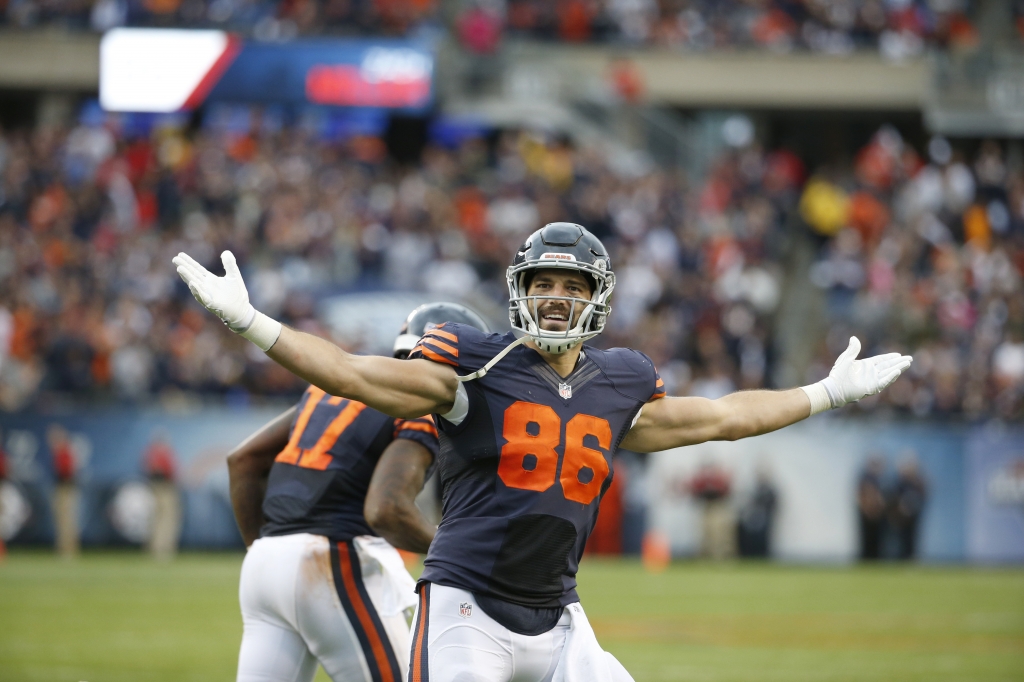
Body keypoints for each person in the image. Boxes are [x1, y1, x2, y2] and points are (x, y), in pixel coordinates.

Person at [175, 221, 913, 681]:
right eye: (543, 282)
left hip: (560, 616)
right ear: (519, 289)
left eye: (571, 284)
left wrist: (825, 393)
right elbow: (352, 371)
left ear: (598, 295)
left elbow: (721, 417)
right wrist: (252, 324)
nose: (556, 297)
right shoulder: (476, 367)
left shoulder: (618, 381)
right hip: (467, 612)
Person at [226, 302, 490, 682]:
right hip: (331, 558)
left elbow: (243, 461)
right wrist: (465, 558)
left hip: (264, 566)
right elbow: (387, 509)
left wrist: (267, 550)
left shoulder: (330, 389)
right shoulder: (421, 406)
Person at [142, 430, 181, 560]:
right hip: (164, 487)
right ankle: (162, 549)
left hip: (155, 486)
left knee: (158, 518)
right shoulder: (160, 453)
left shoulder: (150, 453)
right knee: (166, 518)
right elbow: (164, 471)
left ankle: (156, 547)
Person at [690, 459, 734, 559]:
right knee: (705, 534)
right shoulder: (702, 479)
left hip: (717, 507)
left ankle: (721, 557)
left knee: (720, 535)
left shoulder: (720, 478)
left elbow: (726, 491)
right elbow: (695, 491)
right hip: (706, 506)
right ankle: (705, 556)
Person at [49, 424, 79, 558]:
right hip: (63, 487)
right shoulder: (60, 452)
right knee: (62, 520)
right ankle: (64, 549)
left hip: (65, 489)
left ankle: (68, 550)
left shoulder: (65, 451)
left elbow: (68, 472)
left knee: (66, 520)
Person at [890, 451, 927, 560]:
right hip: (900, 517)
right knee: (900, 538)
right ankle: (900, 558)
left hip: (914, 516)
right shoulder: (899, 482)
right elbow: (893, 498)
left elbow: (923, 495)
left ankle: (911, 558)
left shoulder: (917, 482)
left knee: (913, 538)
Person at [737, 464, 777, 559]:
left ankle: (763, 556)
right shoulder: (753, 489)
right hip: (752, 519)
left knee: (763, 539)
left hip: (765, 519)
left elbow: (773, 503)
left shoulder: (769, 490)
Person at [857, 454, 886, 561]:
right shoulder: (866, 478)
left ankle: (875, 559)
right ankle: (866, 558)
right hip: (866, 514)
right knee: (867, 540)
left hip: (877, 515)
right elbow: (862, 496)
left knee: (877, 541)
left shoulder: (880, 479)